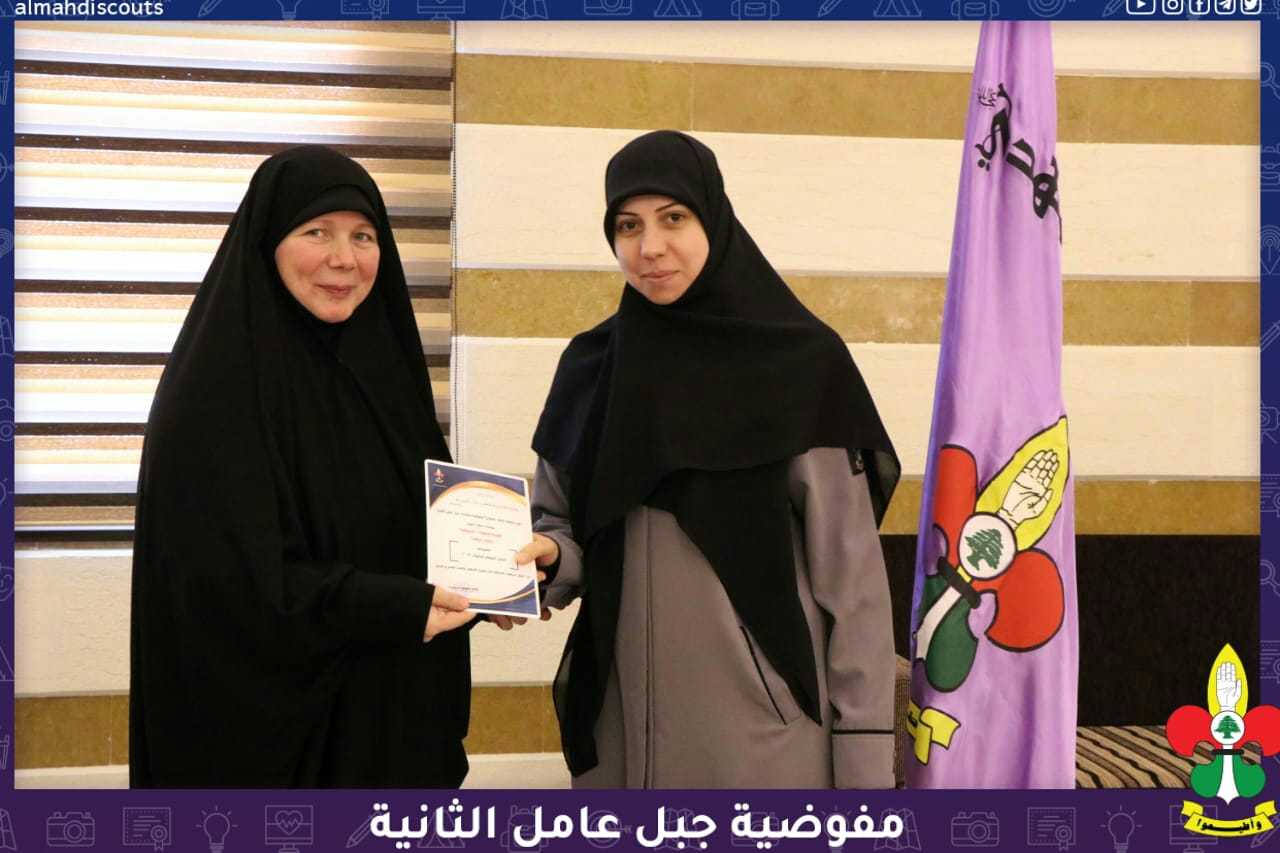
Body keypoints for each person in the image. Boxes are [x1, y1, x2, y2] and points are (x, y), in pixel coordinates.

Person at [511, 130, 902, 788]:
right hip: (619, 738)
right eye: (628, 225)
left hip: (763, 748)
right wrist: (550, 558)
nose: (649, 247)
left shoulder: (800, 368)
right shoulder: (591, 368)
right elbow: (562, 524)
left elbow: (853, 587)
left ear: (714, 220)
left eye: (673, 218)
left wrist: (864, 763)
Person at [129, 146, 476, 788]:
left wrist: (489, 579)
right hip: (280, 757)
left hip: (393, 725)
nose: (344, 258)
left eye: (363, 235)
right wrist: (392, 607)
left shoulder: (387, 384)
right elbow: (231, 586)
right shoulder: (212, 398)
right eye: (317, 231)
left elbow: (419, 528)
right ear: (268, 243)